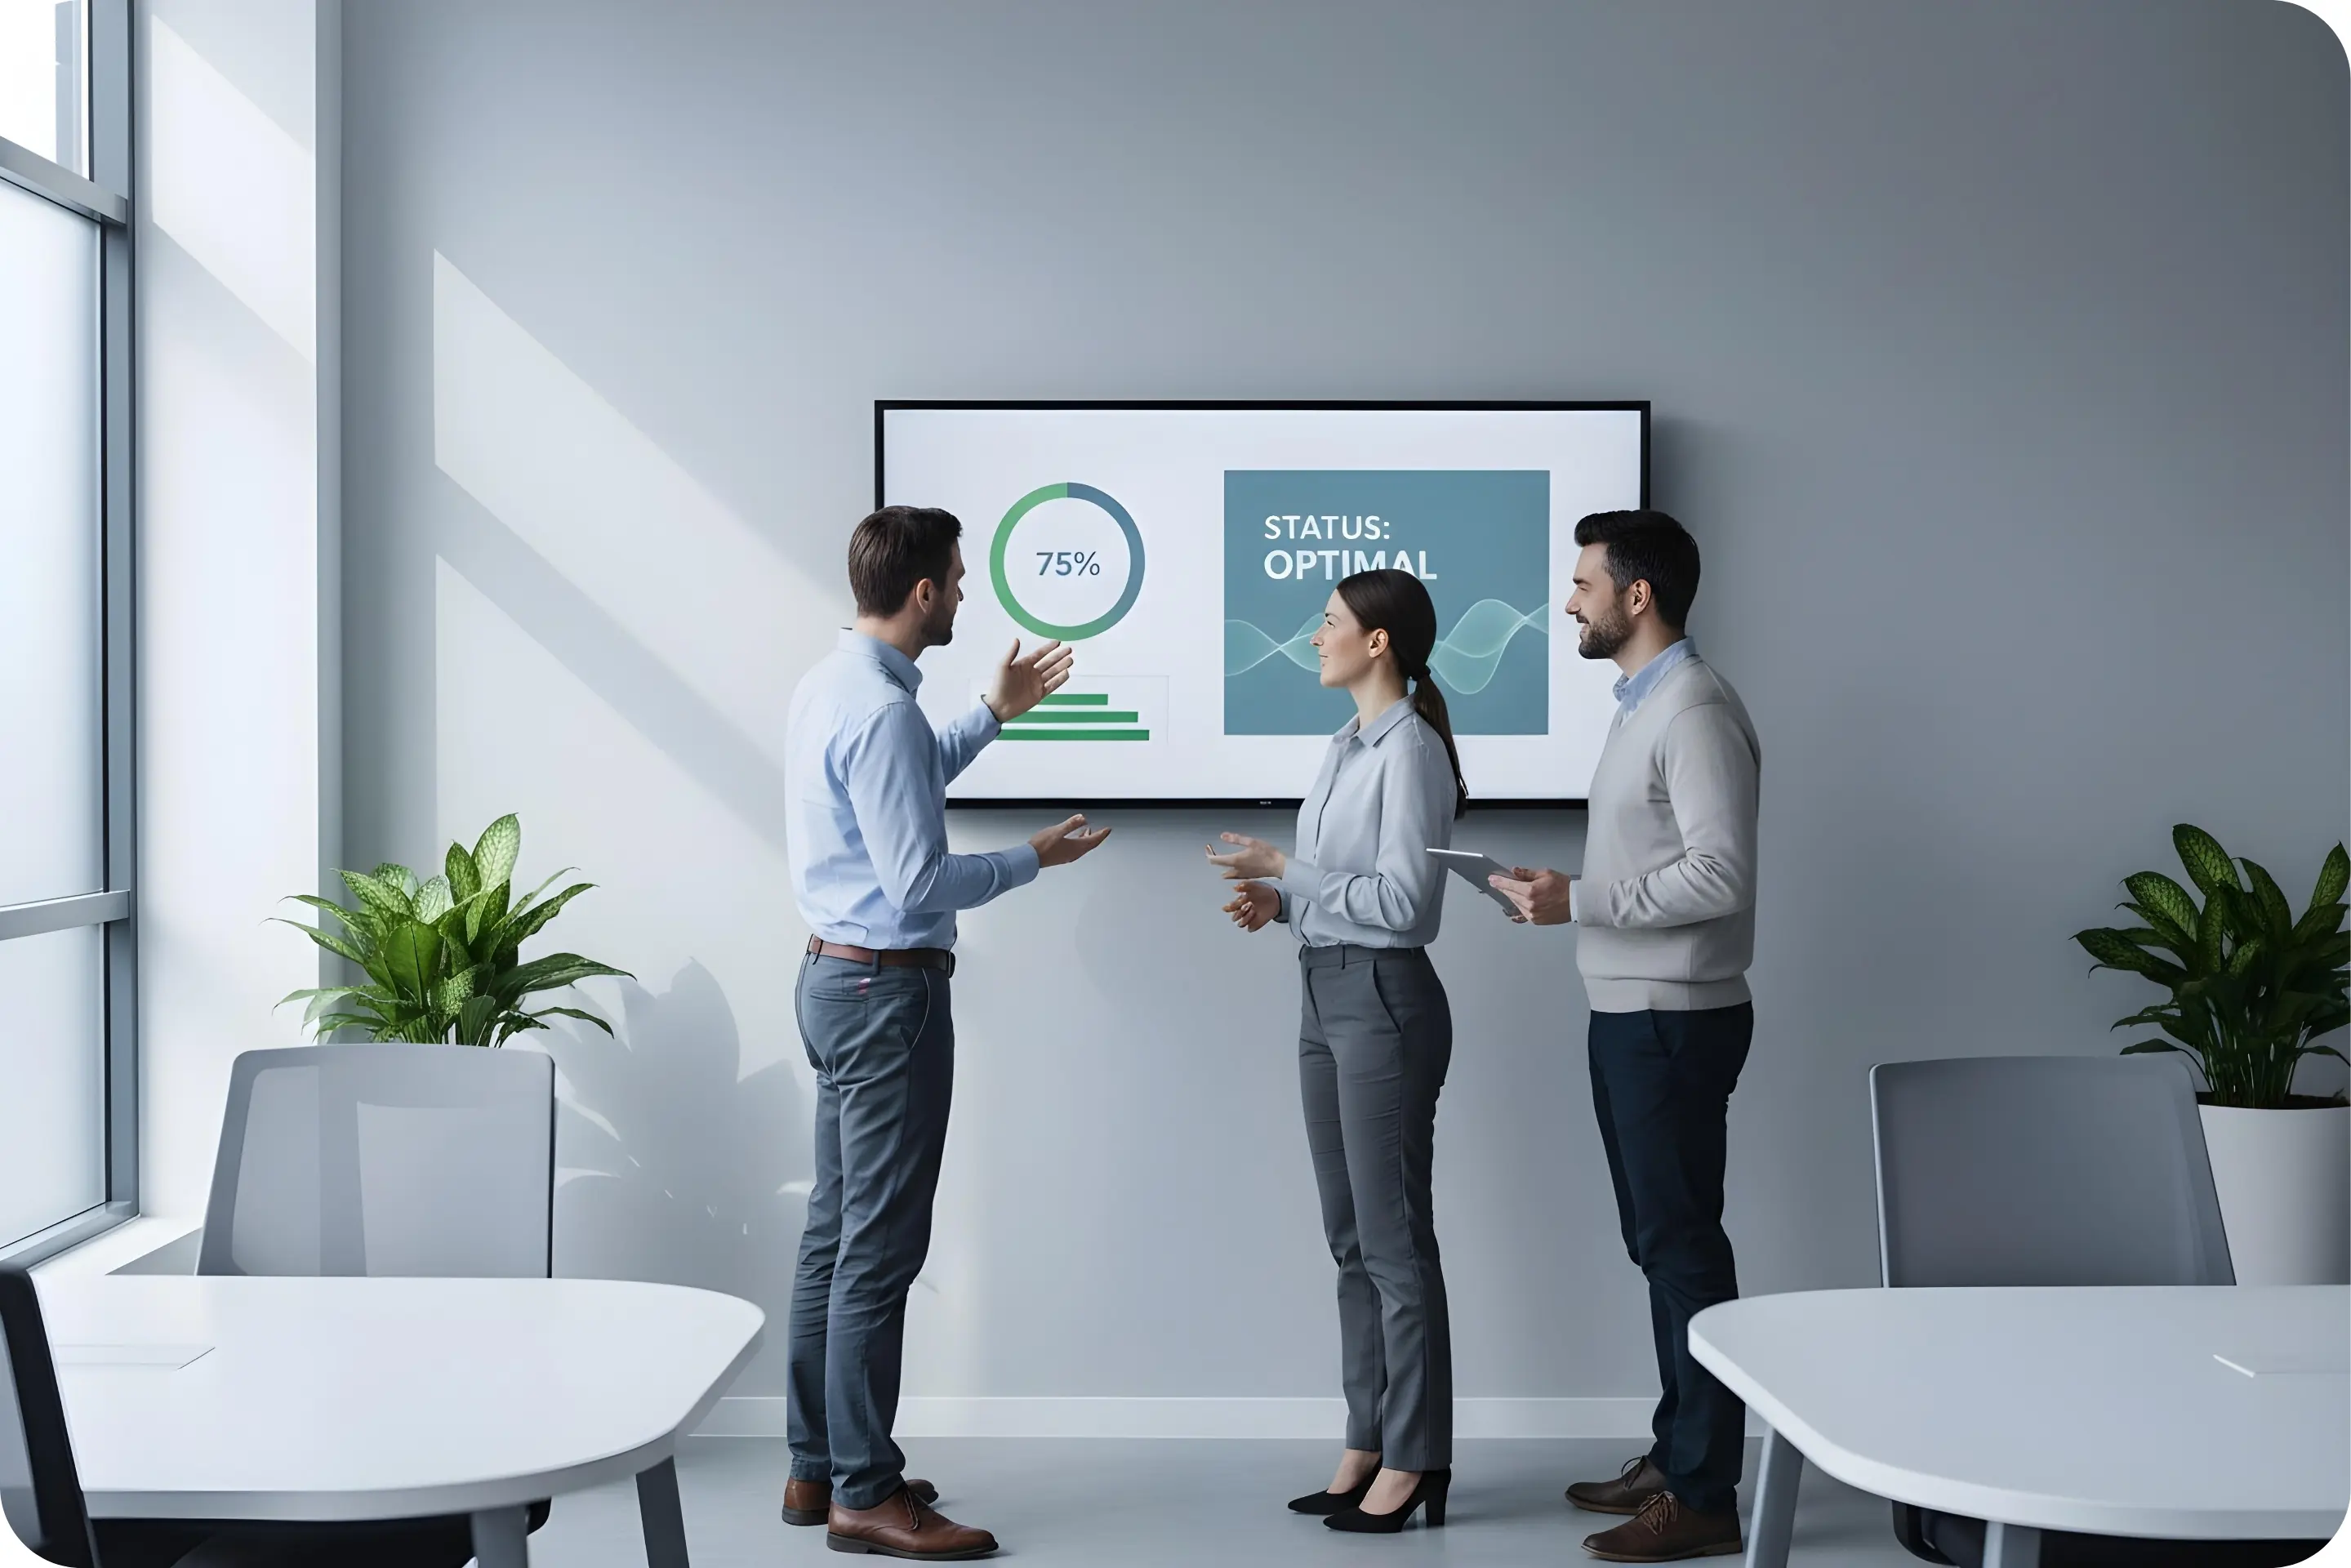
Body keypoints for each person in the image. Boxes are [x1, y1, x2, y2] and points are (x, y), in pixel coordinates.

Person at [781, 505, 1111, 1561]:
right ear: (922, 592)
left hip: (835, 980)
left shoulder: (834, 684)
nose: (965, 592)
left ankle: (818, 1466)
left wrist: (990, 715)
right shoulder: (880, 710)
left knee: (835, 1234)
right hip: (887, 998)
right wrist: (1029, 860)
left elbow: (899, 783)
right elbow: (918, 877)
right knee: (878, 1247)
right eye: (959, 579)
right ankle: (864, 1493)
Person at [1489, 510, 1761, 1565]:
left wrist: (1582, 899)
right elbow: (1657, 862)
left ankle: (1702, 1495)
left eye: (1582, 583)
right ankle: (1677, 1453)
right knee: (1660, 1243)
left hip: (1670, 1018)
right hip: (1631, 1013)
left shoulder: (1692, 709)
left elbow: (1718, 874)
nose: (1568, 601)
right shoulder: (1643, 705)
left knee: (1680, 1248)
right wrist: (1567, 892)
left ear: (1635, 595)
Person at [1210, 568, 1468, 1536]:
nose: (1314, 637)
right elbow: (1340, 886)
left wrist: (1288, 868)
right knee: (1350, 1239)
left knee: (1394, 1243)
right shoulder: (1342, 746)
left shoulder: (1413, 753)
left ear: (1377, 642)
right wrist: (1281, 901)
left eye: (1328, 624)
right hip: (1323, 991)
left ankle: (1415, 1457)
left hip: (1382, 1002)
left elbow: (1404, 905)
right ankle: (1365, 1441)